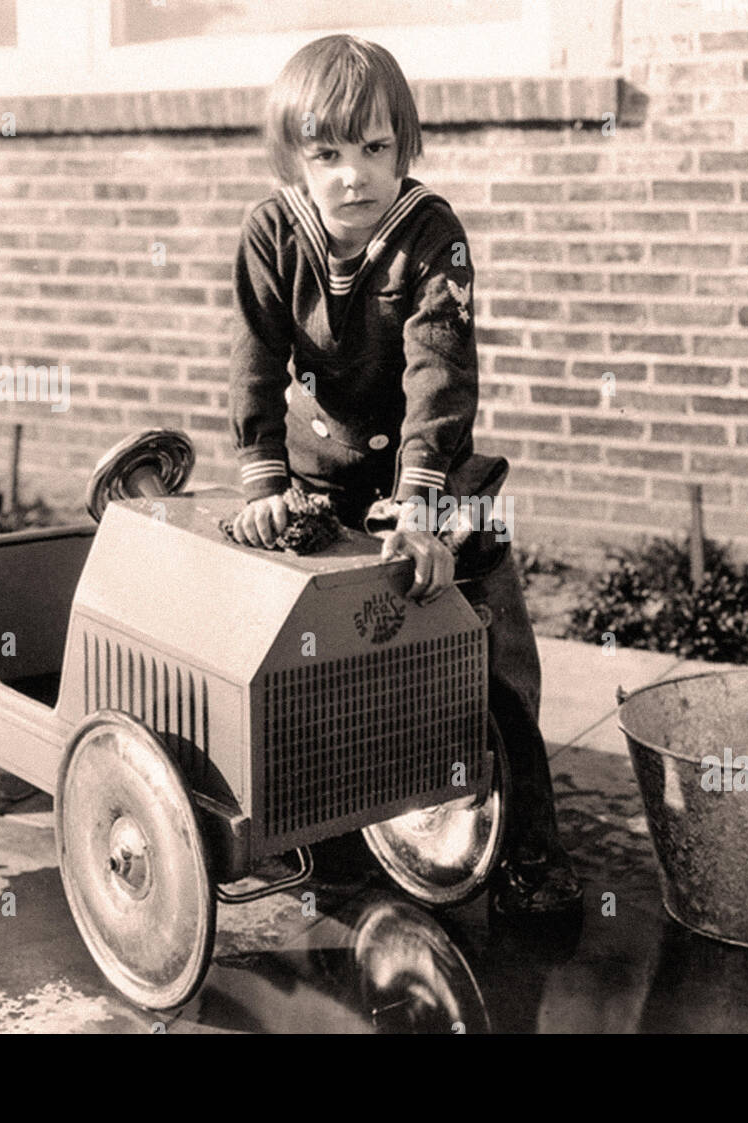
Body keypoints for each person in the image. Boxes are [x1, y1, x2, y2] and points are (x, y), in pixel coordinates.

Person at [226, 34, 582, 917]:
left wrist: (421, 507)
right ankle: (337, 827)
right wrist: (264, 483)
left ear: (403, 146)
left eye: (375, 149)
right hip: (321, 477)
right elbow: (254, 360)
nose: (354, 175)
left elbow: (439, 372)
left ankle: (532, 848)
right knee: (324, 649)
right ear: (294, 159)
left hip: (435, 473)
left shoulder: (430, 235)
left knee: (485, 653)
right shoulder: (272, 236)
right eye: (329, 154)